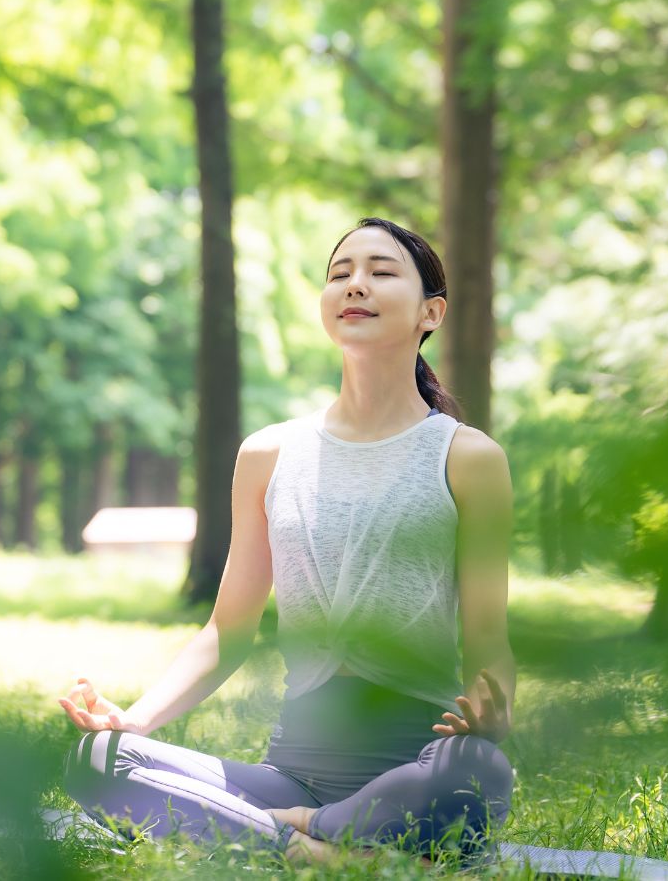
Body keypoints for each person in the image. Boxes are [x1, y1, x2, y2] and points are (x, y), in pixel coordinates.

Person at [56, 217, 517, 864]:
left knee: (479, 774)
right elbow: (226, 631)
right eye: (340, 274)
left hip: (415, 767)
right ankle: (320, 852)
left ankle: (290, 830)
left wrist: (493, 714)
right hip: (289, 773)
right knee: (99, 759)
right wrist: (134, 720)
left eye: (381, 272)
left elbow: (490, 640)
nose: (356, 284)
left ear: (430, 313)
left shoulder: (468, 458)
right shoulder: (269, 454)